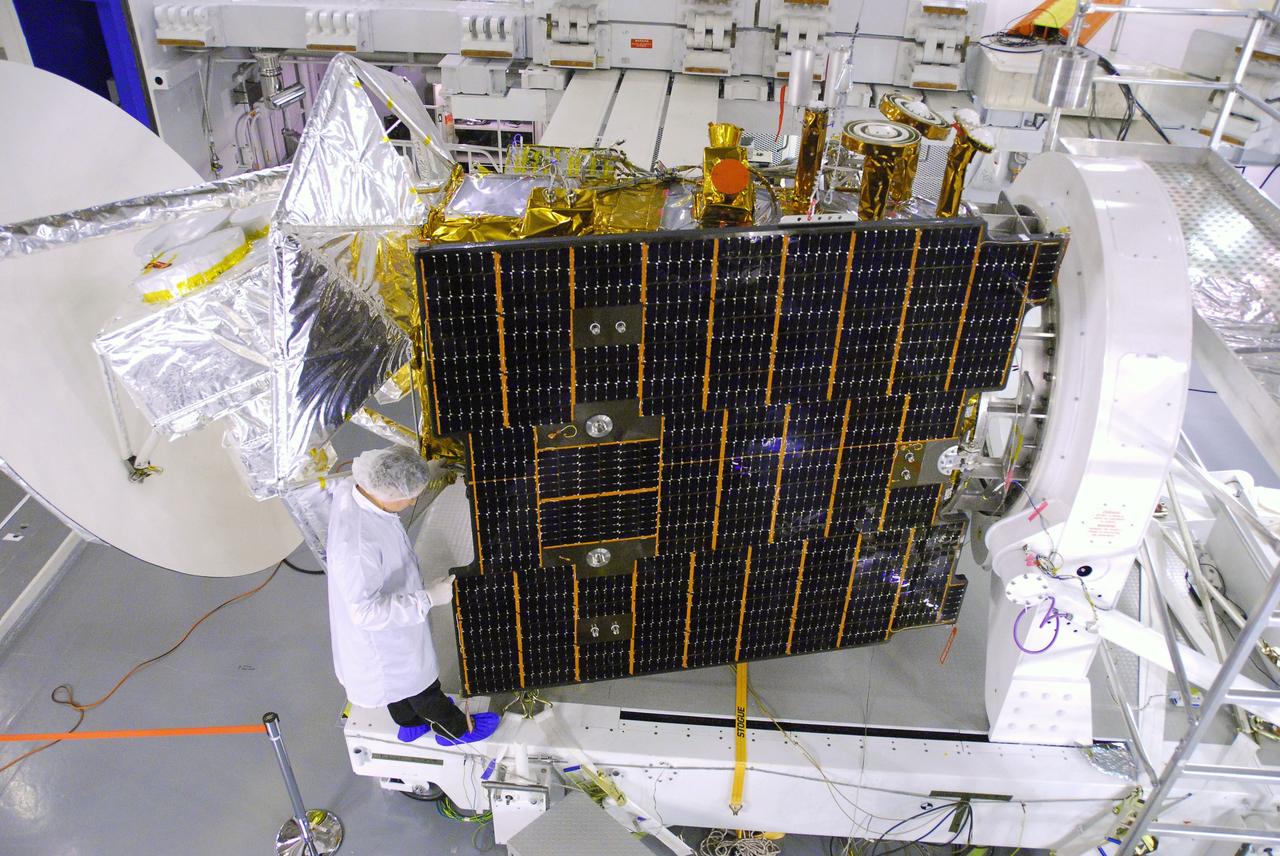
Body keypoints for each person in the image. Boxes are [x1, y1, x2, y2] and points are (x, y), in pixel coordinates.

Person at [325, 446, 498, 745]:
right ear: (387, 492)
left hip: (389, 612)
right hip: (382, 637)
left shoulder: (357, 492)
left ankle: (409, 724)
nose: (414, 500)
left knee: (400, 689)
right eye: (409, 496)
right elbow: (365, 613)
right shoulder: (356, 545)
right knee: (419, 685)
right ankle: (454, 730)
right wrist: (427, 598)